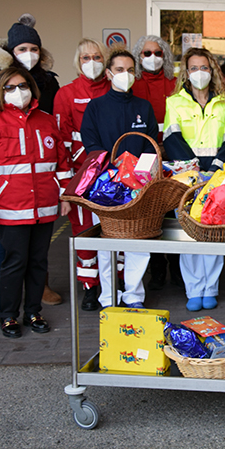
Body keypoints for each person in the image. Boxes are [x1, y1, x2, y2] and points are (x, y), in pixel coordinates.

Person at [0, 13, 62, 315]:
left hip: (38, 174)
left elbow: (53, 131)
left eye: (34, 49)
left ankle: (37, 286)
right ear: (10, 52)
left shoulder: (47, 82)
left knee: (36, 245)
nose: (28, 54)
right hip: (4, 175)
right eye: (22, 49)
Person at [0, 67, 72, 338]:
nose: (18, 92)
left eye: (23, 85)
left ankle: (34, 311)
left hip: (45, 207)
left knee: (38, 262)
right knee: (14, 263)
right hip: (9, 209)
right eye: (10, 87)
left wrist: (64, 196)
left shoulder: (47, 121)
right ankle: (9, 315)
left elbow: (62, 163)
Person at [80, 48, 159, 310]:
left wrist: (139, 176)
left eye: (130, 70)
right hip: (105, 187)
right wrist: (112, 175)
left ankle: (134, 296)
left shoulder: (143, 107)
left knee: (139, 241)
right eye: (120, 70)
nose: (125, 75)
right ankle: (109, 298)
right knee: (108, 244)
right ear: (108, 73)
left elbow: (151, 145)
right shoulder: (96, 107)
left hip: (138, 186)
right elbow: (90, 143)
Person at [163, 47, 225, 311]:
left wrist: (215, 167)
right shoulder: (174, 102)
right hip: (187, 177)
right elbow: (171, 138)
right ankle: (194, 289)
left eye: (204, 67)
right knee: (188, 233)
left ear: (212, 70)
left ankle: (210, 288)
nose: (199, 73)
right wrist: (193, 169)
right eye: (194, 68)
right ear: (186, 72)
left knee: (212, 232)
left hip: (216, 176)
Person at [54, 38, 110, 312]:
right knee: (84, 232)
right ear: (78, 62)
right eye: (86, 58)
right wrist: (66, 186)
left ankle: (116, 283)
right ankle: (91, 287)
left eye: (97, 57)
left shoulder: (114, 88)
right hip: (81, 176)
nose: (92, 63)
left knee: (116, 231)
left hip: (113, 176)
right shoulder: (66, 94)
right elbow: (60, 143)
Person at [131, 35, 183, 291]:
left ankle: (176, 267)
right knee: (151, 213)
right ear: (138, 57)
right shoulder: (134, 85)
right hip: (145, 157)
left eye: (158, 53)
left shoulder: (175, 84)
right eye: (146, 53)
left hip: (173, 156)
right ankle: (157, 270)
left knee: (175, 210)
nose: (153, 58)